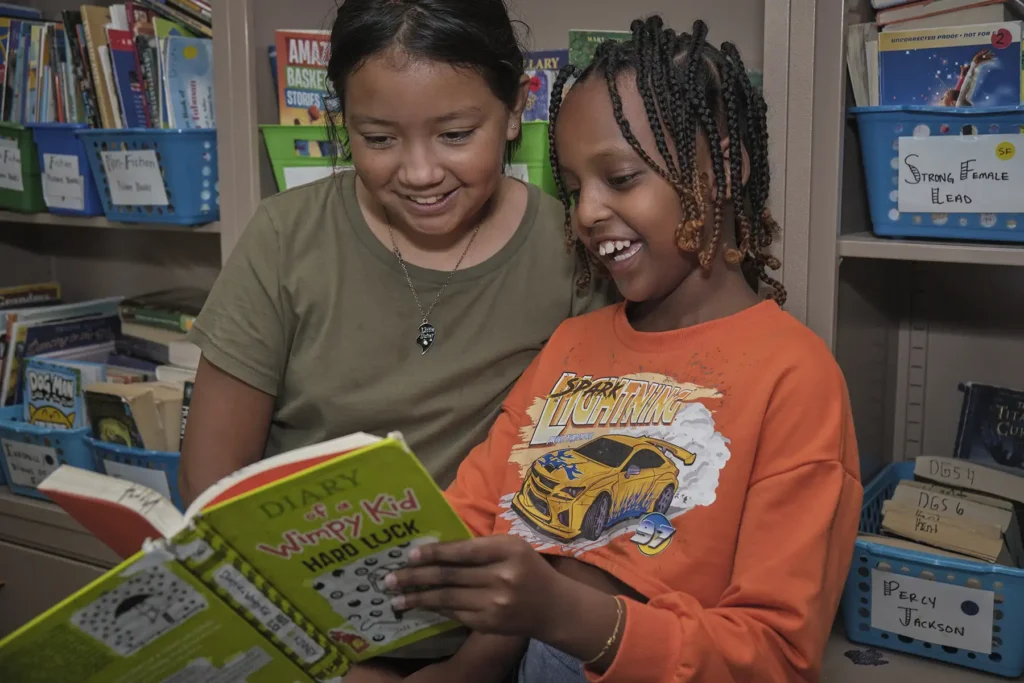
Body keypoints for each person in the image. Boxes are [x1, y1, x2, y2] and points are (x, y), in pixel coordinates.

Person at [376, 16, 863, 683]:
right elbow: (471, 512)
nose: (586, 212)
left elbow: (773, 655)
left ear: (727, 162)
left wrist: (562, 610)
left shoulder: (795, 375)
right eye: (575, 188)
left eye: (622, 177)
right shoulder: (572, 346)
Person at [180, 0, 614, 506]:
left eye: (455, 135)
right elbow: (209, 485)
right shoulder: (284, 237)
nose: (420, 173)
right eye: (380, 138)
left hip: (480, 572)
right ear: (343, 121)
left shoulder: (570, 246)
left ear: (516, 109)